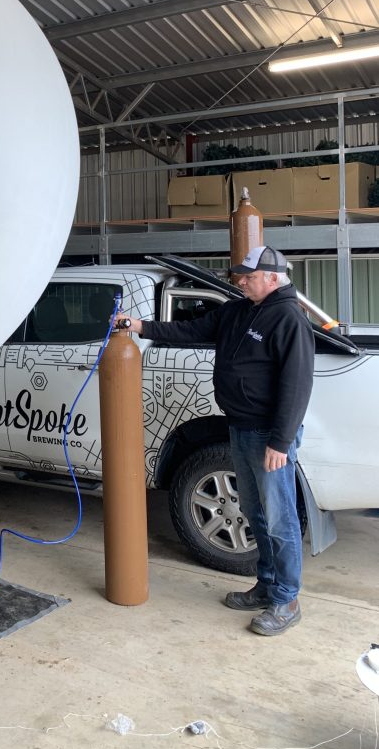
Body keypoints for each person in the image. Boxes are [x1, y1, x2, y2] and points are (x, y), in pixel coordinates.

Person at [117, 246, 315, 637]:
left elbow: (296, 387)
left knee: (280, 519)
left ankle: (287, 599)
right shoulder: (240, 309)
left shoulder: (289, 318)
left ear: (273, 278)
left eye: (248, 276)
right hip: (240, 428)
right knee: (256, 514)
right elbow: (192, 330)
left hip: (267, 436)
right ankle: (267, 586)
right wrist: (141, 327)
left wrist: (281, 441)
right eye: (240, 276)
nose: (240, 281)